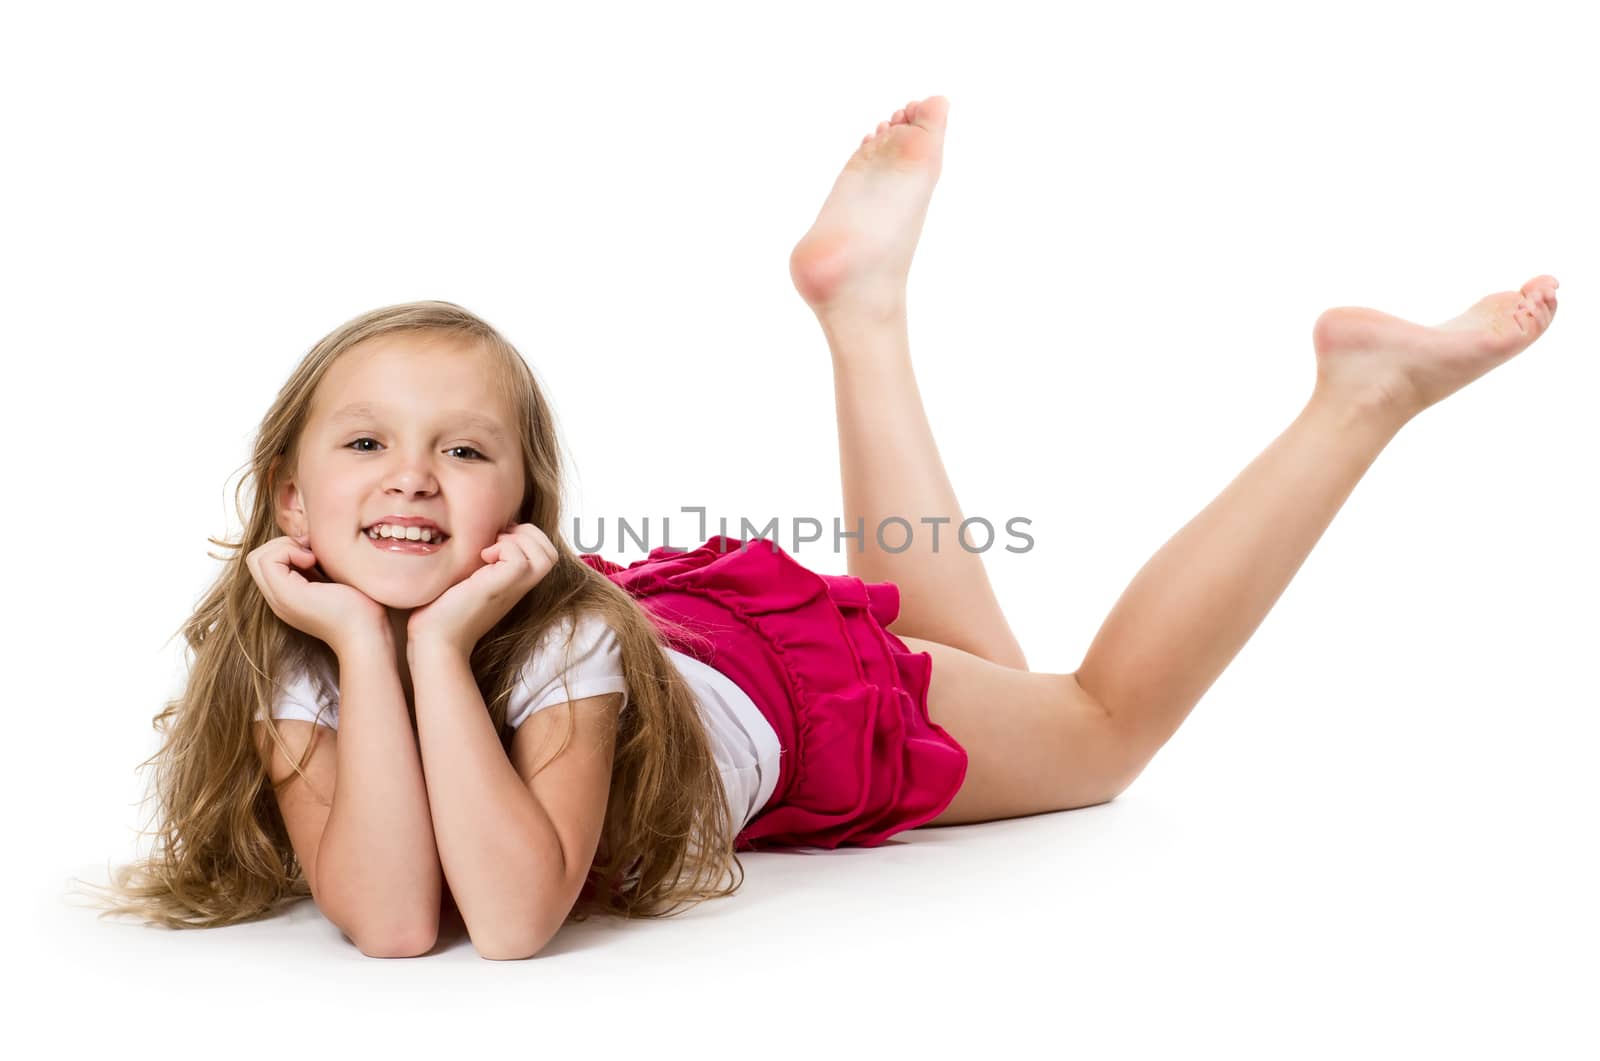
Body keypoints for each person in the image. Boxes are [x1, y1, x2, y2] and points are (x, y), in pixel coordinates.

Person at [73, 94, 1559, 959]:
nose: (410, 476)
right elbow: (398, 921)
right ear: (290, 503)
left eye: (463, 450)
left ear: (516, 513)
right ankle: (863, 314)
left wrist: (450, 635)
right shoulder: (299, 645)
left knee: (1101, 733)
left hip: (760, 690)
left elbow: (508, 917)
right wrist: (365, 636)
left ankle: (1355, 403)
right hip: (690, 646)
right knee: (971, 656)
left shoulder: (564, 631)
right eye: (364, 444)